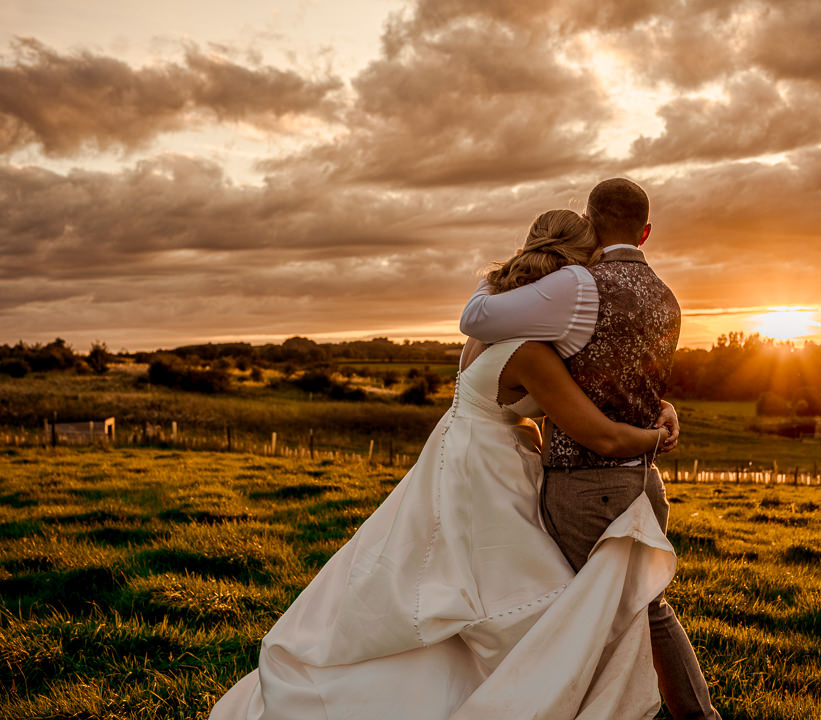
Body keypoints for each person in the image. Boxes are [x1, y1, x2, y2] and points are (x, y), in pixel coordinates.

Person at [210, 209, 681, 720]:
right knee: (532, 600)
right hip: (491, 472)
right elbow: (598, 430)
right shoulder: (531, 351)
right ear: (571, 274)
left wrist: (658, 402)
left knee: (463, 597)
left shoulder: (495, 327)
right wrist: (656, 434)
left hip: (463, 454)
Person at [460, 179, 721, 720]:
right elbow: (627, 379)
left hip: (586, 482)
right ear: (646, 231)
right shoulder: (667, 297)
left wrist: (497, 280)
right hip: (644, 478)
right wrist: (664, 415)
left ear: (591, 222)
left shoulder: (581, 285)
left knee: (597, 615)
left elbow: (482, 322)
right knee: (640, 609)